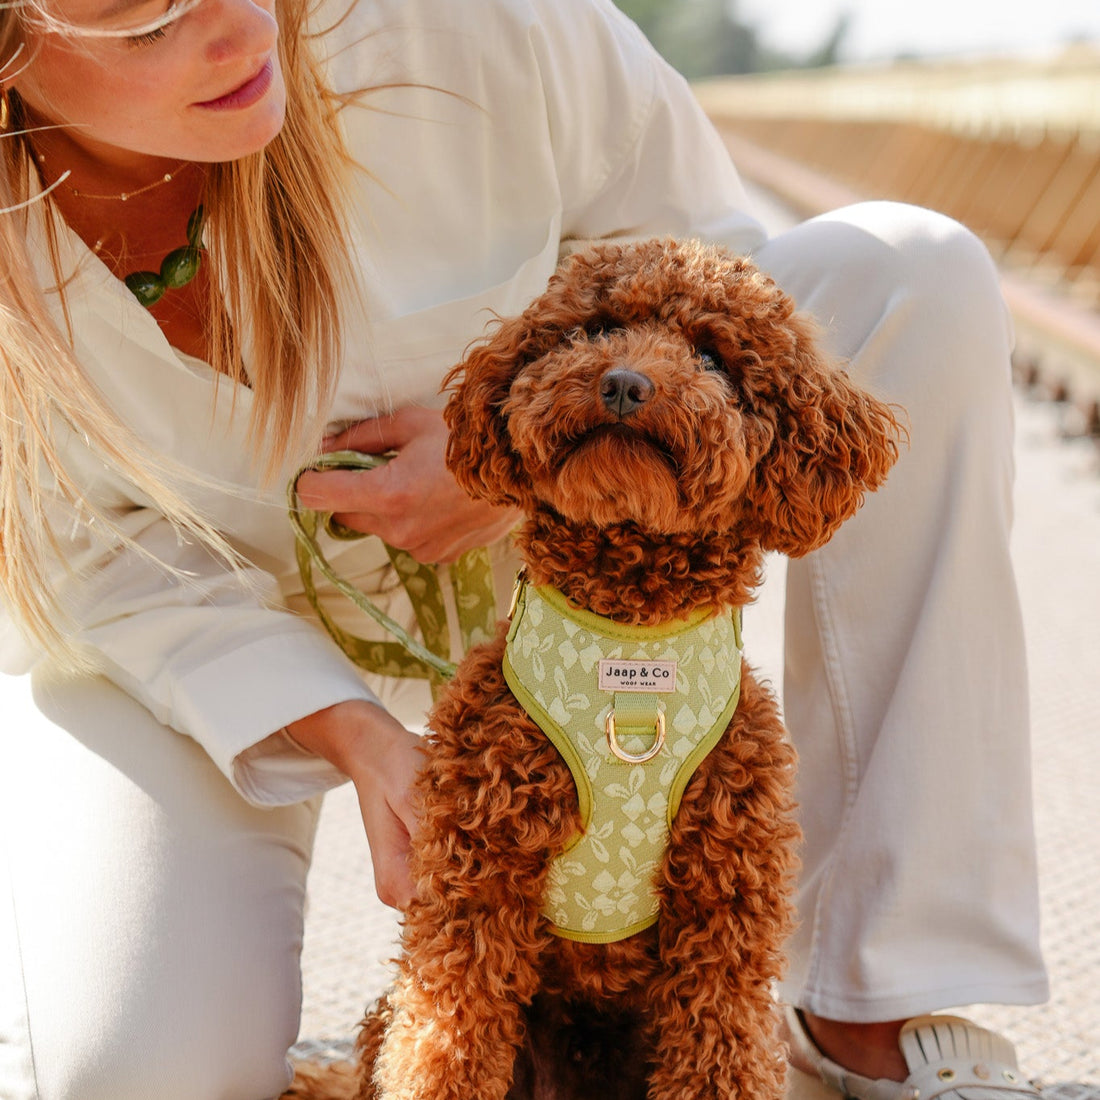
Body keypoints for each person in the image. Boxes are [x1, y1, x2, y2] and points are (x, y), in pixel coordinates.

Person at [0, 0, 1048, 1096]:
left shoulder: (469, 20)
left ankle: (872, 994)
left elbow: (708, 269)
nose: (239, 28)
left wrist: (506, 466)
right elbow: (83, 557)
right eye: (139, 19)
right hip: (204, 625)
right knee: (125, 1068)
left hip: (568, 523)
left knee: (911, 272)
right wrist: (354, 734)